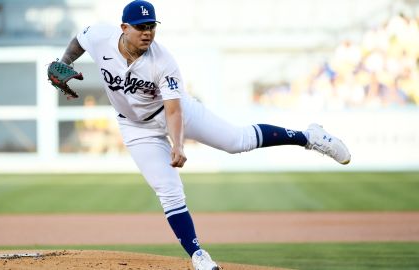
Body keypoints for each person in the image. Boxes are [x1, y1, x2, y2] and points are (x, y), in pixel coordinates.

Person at [56, 1, 351, 269]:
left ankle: (309, 137)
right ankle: (198, 255)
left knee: (237, 141)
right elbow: (79, 41)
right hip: (134, 127)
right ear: (124, 28)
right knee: (168, 191)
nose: (147, 33)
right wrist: (65, 63)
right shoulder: (99, 36)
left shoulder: (163, 61)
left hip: (174, 112)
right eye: (141, 27)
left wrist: (178, 144)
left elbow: (173, 111)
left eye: (152, 27)